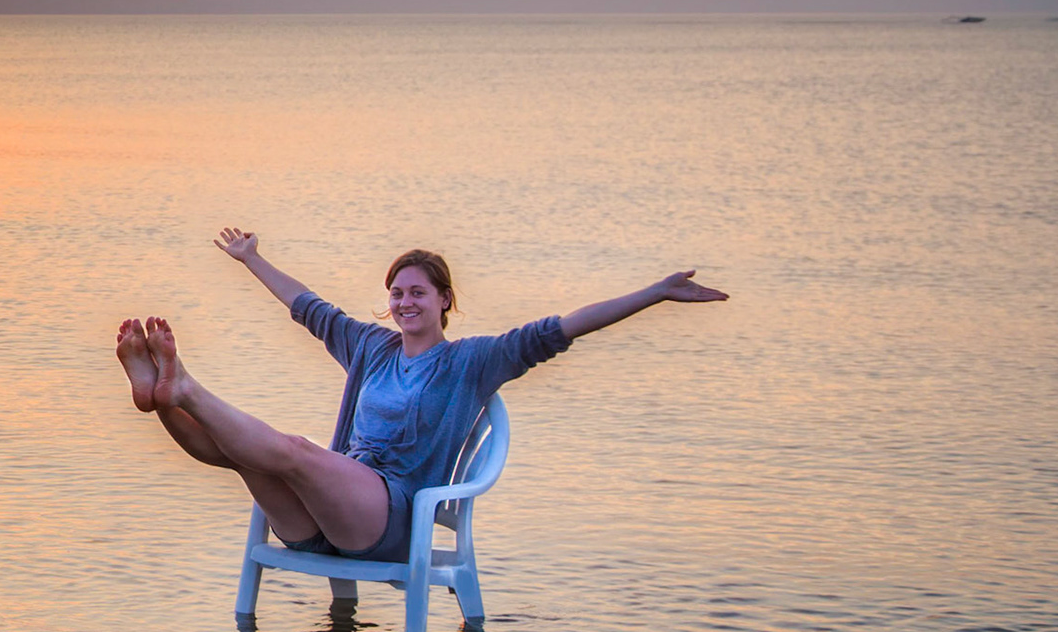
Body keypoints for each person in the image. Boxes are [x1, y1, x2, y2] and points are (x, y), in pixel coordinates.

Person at [115, 228, 728, 563]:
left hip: (389, 519)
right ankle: (163, 398)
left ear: (444, 301)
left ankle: (184, 386)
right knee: (240, 455)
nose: (404, 302)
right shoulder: (370, 347)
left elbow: (562, 327)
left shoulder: (472, 361)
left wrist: (654, 293)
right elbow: (307, 307)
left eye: (417, 292)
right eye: (396, 293)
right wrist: (253, 259)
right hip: (320, 520)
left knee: (294, 451)